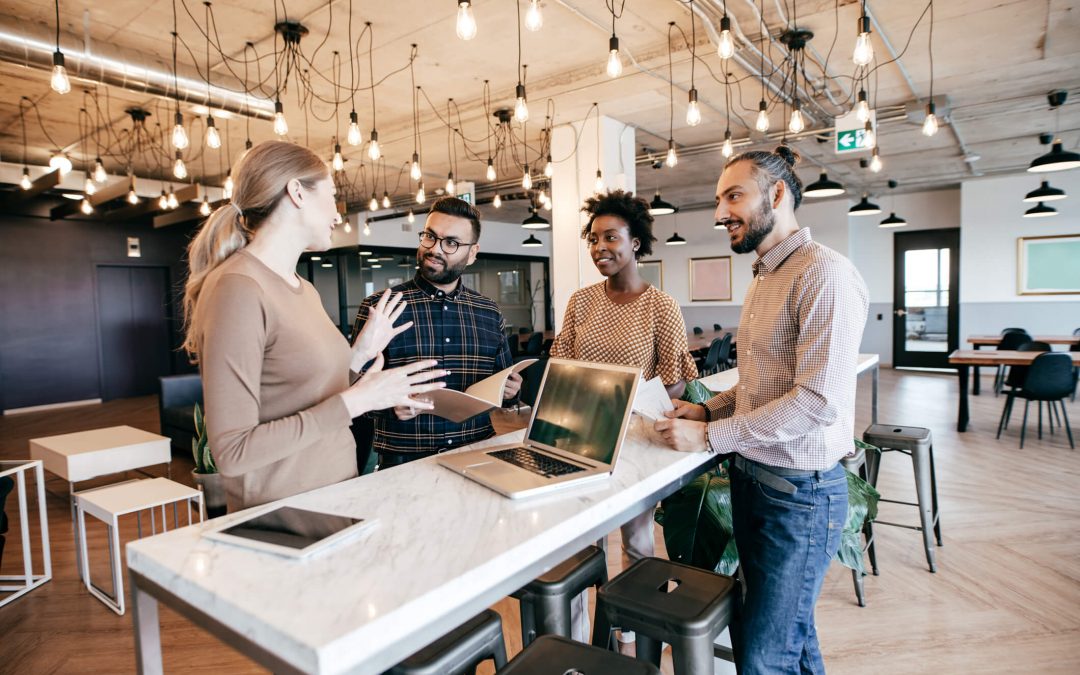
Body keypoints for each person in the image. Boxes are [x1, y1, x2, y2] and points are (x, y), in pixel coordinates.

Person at [655, 146, 869, 674]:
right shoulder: (765, 276)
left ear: (777, 195)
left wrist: (710, 438)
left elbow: (816, 402)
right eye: (718, 198)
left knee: (763, 657)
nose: (720, 212)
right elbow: (760, 385)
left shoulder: (825, 274)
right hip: (758, 483)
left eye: (734, 195)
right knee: (788, 642)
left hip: (800, 496)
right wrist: (708, 412)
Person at [183, 141, 446, 512]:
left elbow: (306, 394)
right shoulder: (238, 287)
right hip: (285, 516)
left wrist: (361, 355)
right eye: (333, 195)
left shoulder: (302, 287)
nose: (339, 215)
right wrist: (359, 400)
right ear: (296, 192)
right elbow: (233, 452)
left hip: (335, 496)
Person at [550, 190, 698, 644]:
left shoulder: (661, 306)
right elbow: (561, 364)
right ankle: (576, 638)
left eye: (610, 237)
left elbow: (676, 381)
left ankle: (632, 627)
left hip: (636, 440)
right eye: (593, 239)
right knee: (580, 545)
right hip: (579, 438)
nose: (599, 248)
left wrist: (628, 400)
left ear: (636, 242)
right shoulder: (581, 301)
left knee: (636, 542)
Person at [352, 197, 521, 468]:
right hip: (404, 463)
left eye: (451, 243)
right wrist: (391, 407)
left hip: (477, 454)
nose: (435, 249)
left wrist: (510, 391)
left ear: (473, 252)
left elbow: (501, 386)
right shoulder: (379, 307)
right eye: (430, 237)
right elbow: (352, 390)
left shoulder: (489, 312)